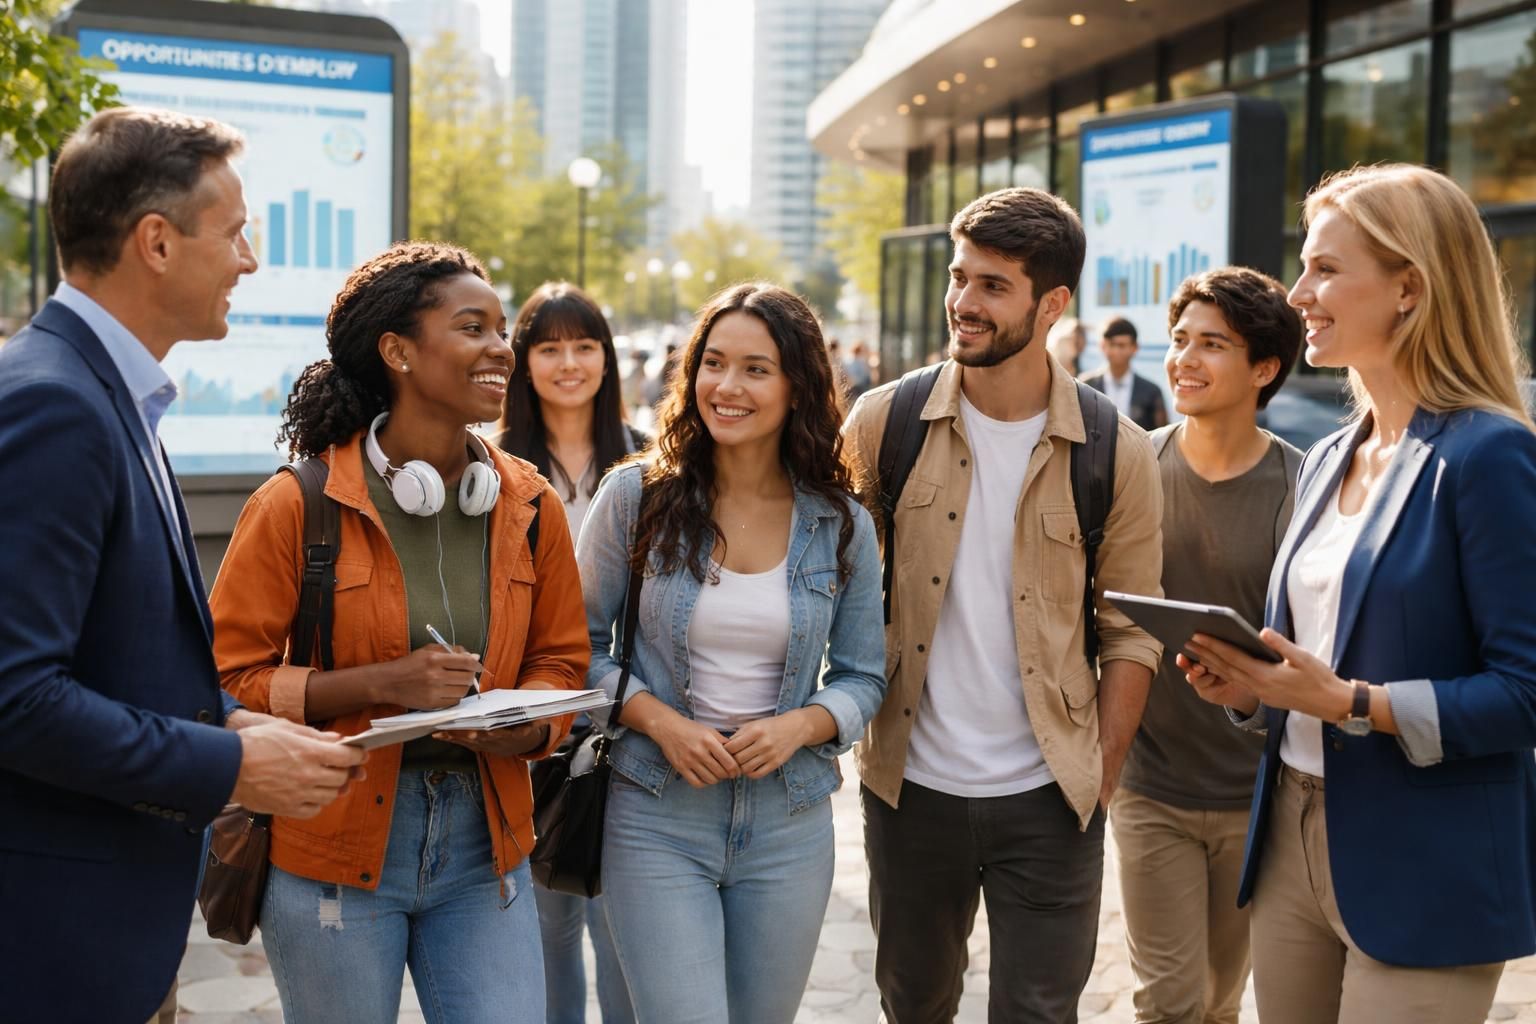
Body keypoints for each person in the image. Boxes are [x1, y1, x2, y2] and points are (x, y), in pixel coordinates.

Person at [0, 107, 366, 1024]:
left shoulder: (101, 392)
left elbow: (115, 661)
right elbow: (16, 697)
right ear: (156, 243)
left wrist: (240, 727)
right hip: (55, 947)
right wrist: (228, 766)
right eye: (235, 233)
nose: (249, 261)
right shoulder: (59, 407)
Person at [1182, 164, 1536, 1024]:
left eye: (1327, 269)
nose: (1299, 291)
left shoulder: (1489, 458)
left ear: (1410, 287)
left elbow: (1524, 693)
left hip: (1427, 863)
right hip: (1291, 840)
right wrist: (1251, 689)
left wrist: (1353, 702)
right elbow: (1310, 662)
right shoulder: (1331, 455)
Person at [209, 241, 590, 1024]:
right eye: (472, 327)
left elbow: (561, 660)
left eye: (498, 327)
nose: (500, 347)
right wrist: (382, 686)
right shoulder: (294, 506)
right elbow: (223, 680)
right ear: (398, 352)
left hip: (487, 848)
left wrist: (519, 730)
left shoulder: (527, 504)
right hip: (333, 846)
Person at [842, 187, 1164, 1023]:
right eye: (960, 278)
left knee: (1040, 1013)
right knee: (914, 1003)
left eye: (993, 285)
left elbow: (1131, 632)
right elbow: (829, 583)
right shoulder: (886, 423)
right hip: (911, 788)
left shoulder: (1114, 451)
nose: (963, 302)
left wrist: (1103, 778)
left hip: (1051, 796)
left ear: (1052, 304)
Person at [576, 282, 886, 1024]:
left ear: (796, 386)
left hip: (789, 824)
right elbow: (574, 654)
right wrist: (661, 723)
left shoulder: (841, 523)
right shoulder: (635, 497)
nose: (727, 386)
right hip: (655, 815)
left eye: (755, 368)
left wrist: (800, 726)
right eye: (713, 363)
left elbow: (864, 675)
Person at [1112, 267, 1303, 1024]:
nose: (1184, 359)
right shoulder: (1134, 468)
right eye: (1179, 340)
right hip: (1150, 785)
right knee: (1170, 1001)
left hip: (1258, 797)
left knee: (1220, 1002)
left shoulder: (1301, 484)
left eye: (1211, 345)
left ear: (1264, 368)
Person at [494, 281, 643, 1024]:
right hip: (536, 719)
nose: (569, 363)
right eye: (549, 348)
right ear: (523, 362)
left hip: (629, 721)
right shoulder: (490, 467)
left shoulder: (650, 458)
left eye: (585, 345)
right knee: (549, 918)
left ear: (608, 358)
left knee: (624, 923)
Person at [1082, 316, 1169, 431]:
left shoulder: (1152, 391)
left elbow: (1161, 435)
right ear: (1102, 346)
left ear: (1135, 348)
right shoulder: (1085, 385)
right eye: (1112, 344)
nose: (1116, 351)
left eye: (1122, 345)